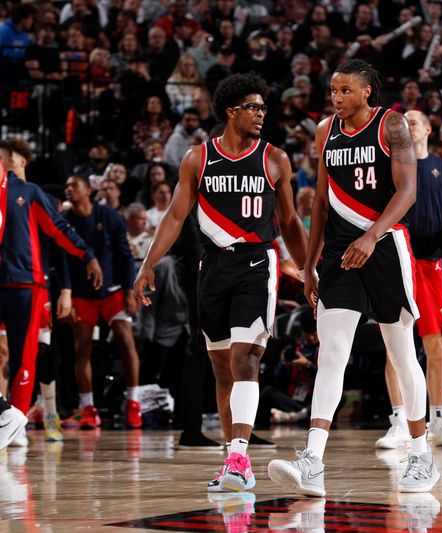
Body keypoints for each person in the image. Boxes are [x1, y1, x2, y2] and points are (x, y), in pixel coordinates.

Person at [267, 59, 439, 497]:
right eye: (333, 91)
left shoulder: (393, 125)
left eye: (345, 91)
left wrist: (372, 236)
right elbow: (321, 201)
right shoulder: (325, 131)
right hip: (340, 256)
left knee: (402, 356)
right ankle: (313, 459)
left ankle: (421, 454)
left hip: (385, 248)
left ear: (366, 92)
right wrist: (308, 263)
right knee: (332, 354)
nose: (337, 98)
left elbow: (408, 191)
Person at [133, 72, 308, 489]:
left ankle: (238, 459)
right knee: (221, 368)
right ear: (232, 112)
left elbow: (288, 222)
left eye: (264, 108)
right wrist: (147, 263)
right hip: (211, 268)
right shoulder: (198, 158)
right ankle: (234, 461)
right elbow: (175, 217)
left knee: (246, 358)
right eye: (254, 107)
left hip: (256, 263)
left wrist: (307, 270)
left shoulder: (275, 159)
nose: (262, 114)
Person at [376, 109, 442, 450]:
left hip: (430, 263)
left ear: (428, 129)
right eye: (403, 121)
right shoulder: (390, 163)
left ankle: (439, 420)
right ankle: (399, 419)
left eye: (413, 121)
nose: (407, 125)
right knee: (395, 344)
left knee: (435, 346)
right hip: (396, 257)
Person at [0, 152, 102, 451]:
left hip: (28, 284)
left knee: (28, 356)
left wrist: (87, 255)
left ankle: (18, 420)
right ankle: (9, 413)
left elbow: (58, 232)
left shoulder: (29, 193)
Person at [64, 175, 143, 430]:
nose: (69, 190)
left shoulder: (110, 216)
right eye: (66, 187)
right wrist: (66, 294)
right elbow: (63, 261)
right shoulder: (65, 222)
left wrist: (131, 290)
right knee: (82, 346)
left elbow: (124, 255)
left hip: (113, 290)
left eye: (73, 185)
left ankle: (133, 403)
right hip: (81, 293)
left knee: (125, 338)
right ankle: (88, 408)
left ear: (88, 190)